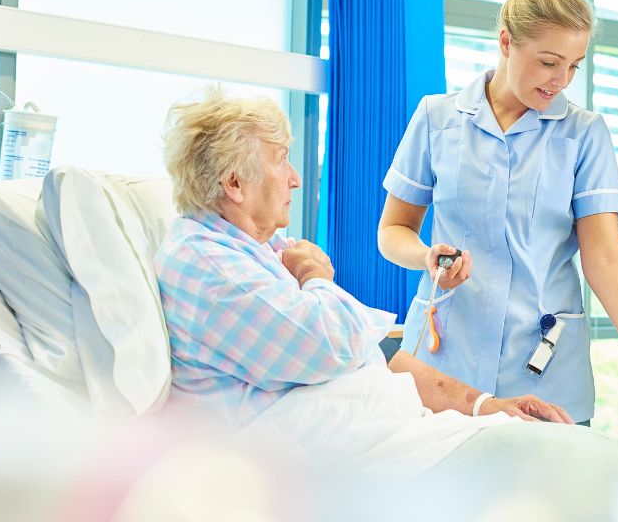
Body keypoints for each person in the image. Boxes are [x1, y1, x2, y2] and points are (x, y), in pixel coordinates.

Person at [152, 88, 572, 428]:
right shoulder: (214, 269)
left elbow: (376, 353)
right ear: (234, 184)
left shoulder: (259, 250)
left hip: (386, 423)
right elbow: (338, 344)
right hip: (324, 456)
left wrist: (484, 406)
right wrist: (318, 277)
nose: (296, 179)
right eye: (282, 161)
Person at [378, 0, 618, 425]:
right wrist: (424, 257)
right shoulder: (436, 119)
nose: (561, 80)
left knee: (544, 497)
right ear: (505, 42)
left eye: (573, 66)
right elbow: (393, 230)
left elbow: (605, 260)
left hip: (544, 373)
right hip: (444, 366)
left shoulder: (583, 134)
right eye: (548, 62)